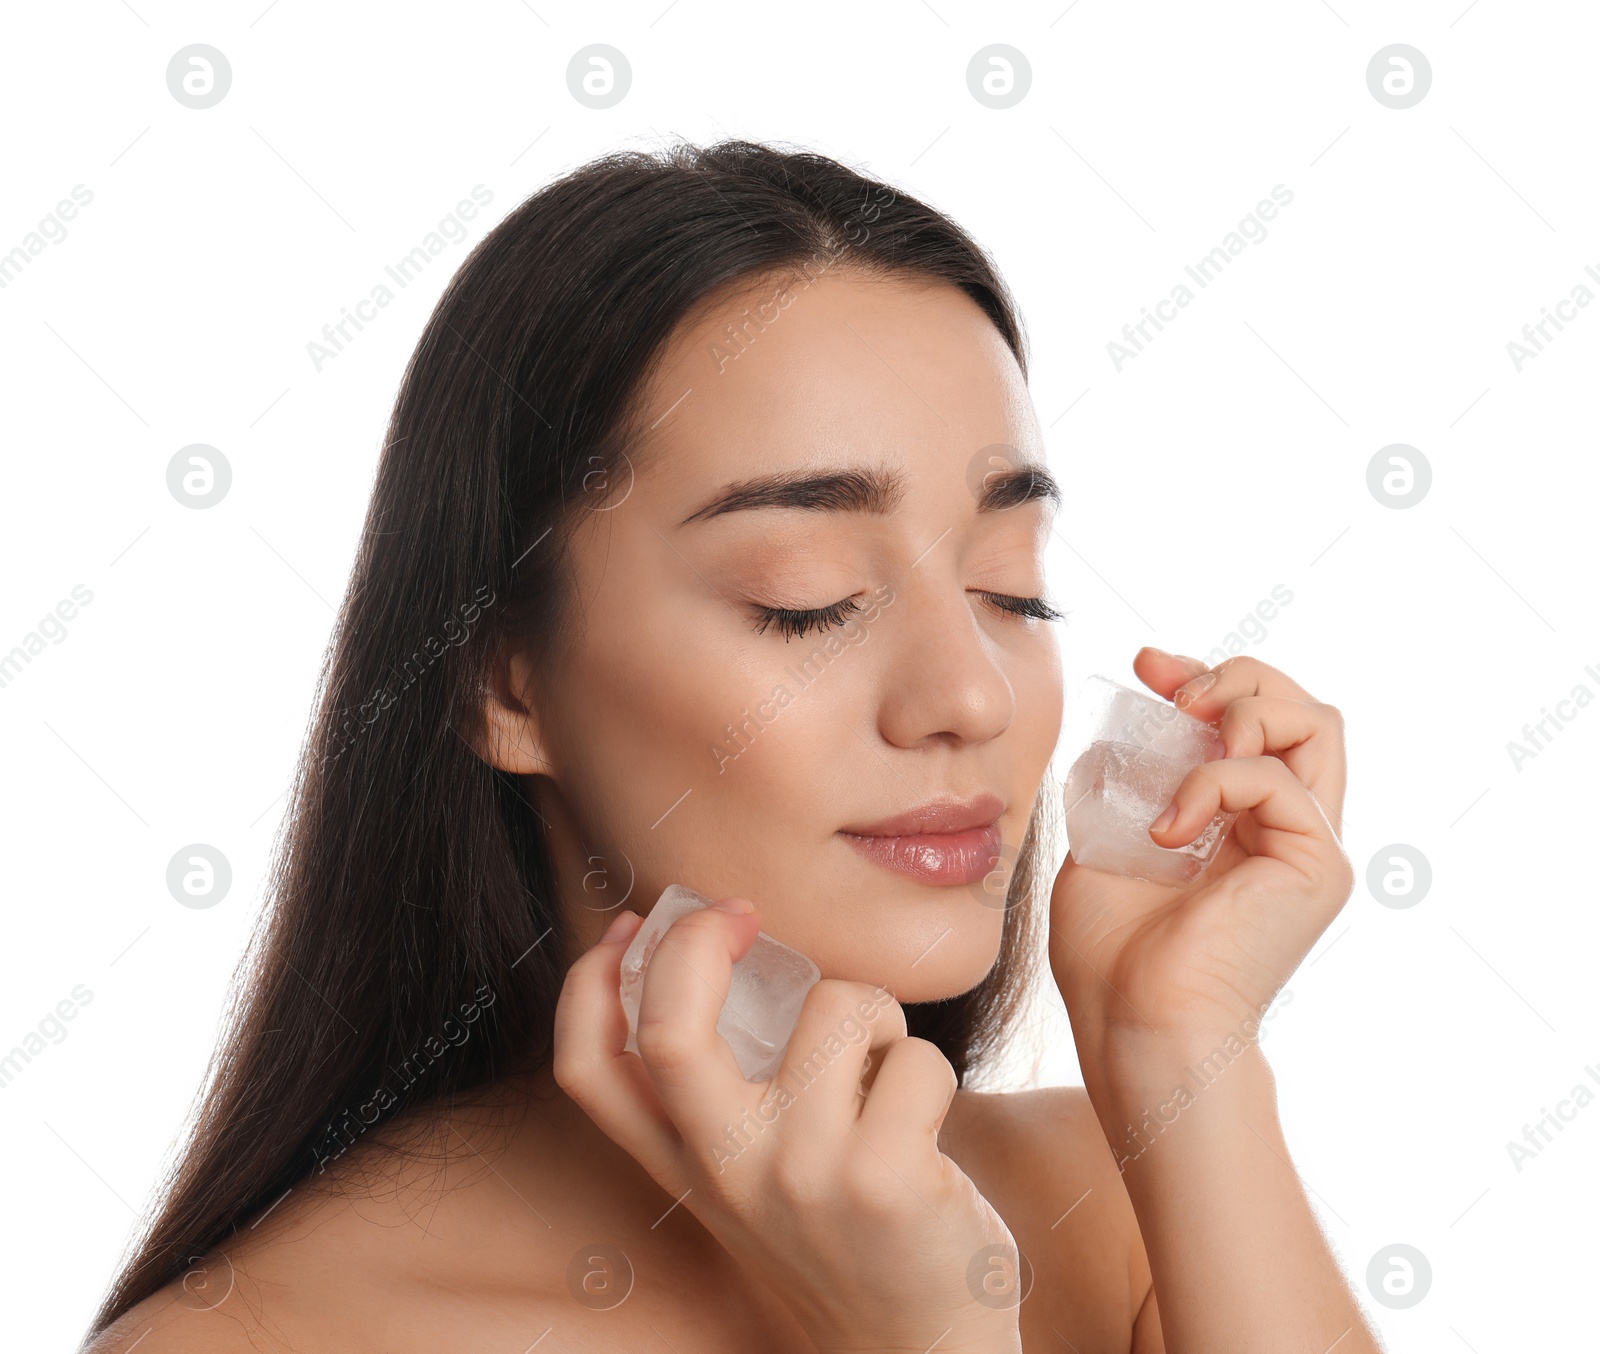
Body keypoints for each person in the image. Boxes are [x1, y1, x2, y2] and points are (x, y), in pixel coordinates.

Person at [84, 140, 1372, 1353]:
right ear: (502, 681)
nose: (970, 697)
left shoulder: (1122, 1205)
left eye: (1010, 588)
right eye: (802, 598)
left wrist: (1180, 1046)